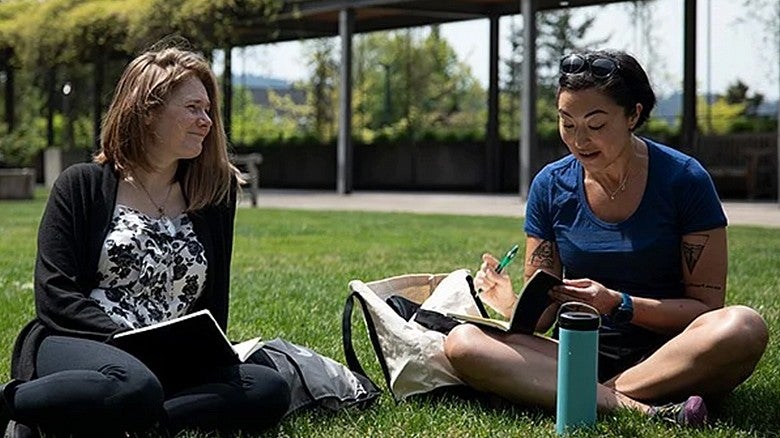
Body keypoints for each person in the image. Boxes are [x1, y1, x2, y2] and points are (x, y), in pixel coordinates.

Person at [444, 49, 768, 426]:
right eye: (567, 123)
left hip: (674, 353)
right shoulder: (550, 186)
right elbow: (545, 316)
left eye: (596, 125)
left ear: (633, 114)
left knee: (743, 326)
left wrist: (618, 303)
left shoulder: (685, 180)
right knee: (462, 343)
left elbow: (704, 309)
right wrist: (511, 301)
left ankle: (588, 393)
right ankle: (644, 409)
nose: (579, 140)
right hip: (579, 349)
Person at [0, 44, 291, 437]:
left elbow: (212, 302)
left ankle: (144, 418)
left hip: (170, 357)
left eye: (208, 110)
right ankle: (13, 405)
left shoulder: (214, 195)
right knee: (131, 384)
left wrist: (201, 352)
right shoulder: (81, 185)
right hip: (83, 340)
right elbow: (56, 296)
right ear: (149, 112)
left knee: (268, 386)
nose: (206, 121)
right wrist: (124, 340)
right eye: (192, 108)